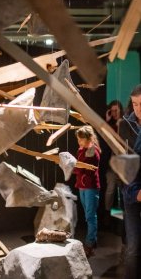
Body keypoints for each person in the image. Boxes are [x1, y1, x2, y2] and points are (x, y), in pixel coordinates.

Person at [118, 84, 141, 279]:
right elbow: (123, 162)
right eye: (135, 104)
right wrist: (133, 191)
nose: (138, 109)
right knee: (133, 247)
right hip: (131, 189)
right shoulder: (125, 124)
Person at [74, 125, 101, 257]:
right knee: (87, 215)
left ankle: (90, 244)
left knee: (90, 216)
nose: (79, 142)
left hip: (90, 187)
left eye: (81, 139)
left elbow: (87, 170)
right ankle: (92, 242)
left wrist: (75, 167)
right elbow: (77, 168)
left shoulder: (92, 151)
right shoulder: (81, 150)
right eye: (78, 139)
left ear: (88, 138)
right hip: (82, 186)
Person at [104, 101, 124, 222]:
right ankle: (108, 215)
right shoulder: (111, 124)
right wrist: (107, 121)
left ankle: (122, 218)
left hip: (123, 163)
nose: (115, 113)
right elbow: (108, 139)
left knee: (122, 190)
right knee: (110, 190)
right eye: (112, 111)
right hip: (112, 163)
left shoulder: (125, 123)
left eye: (116, 110)